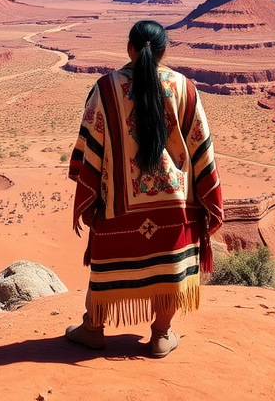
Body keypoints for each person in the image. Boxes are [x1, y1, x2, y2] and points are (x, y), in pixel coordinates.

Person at [65, 20, 223, 358]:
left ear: (129, 49)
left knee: (106, 261)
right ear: (165, 51)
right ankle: (161, 335)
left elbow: (91, 145)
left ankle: (93, 328)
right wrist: (209, 199)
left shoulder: (106, 89)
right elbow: (201, 148)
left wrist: (89, 194)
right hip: (175, 208)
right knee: (170, 266)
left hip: (119, 206)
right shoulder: (184, 88)